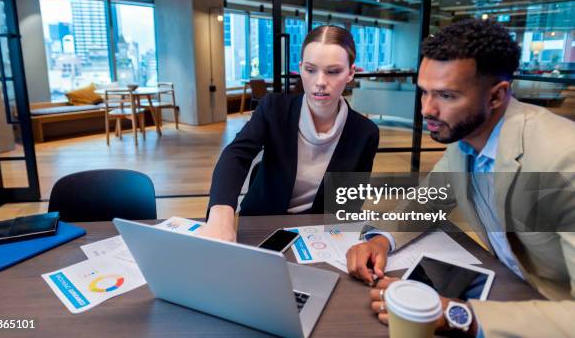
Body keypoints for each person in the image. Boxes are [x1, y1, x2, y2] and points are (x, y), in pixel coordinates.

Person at [346, 19, 575, 337]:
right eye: (424, 93)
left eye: (446, 96)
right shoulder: (465, 139)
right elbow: (428, 202)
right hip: (511, 285)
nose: (426, 109)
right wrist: (382, 239)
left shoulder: (564, 160)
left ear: (496, 96)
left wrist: (458, 315)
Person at [199, 25, 380, 242]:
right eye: (311, 70)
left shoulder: (365, 133)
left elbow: (348, 203)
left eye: (333, 71)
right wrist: (221, 212)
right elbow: (237, 154)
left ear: (351, 72)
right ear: (301, 67)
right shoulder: (274, 109)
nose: (320, 82)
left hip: (317, 233)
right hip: (262, 221)